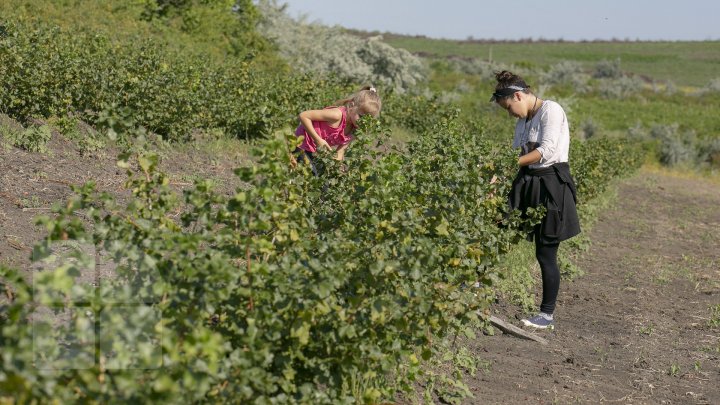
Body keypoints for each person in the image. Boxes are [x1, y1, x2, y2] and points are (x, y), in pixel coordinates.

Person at [491, 70, 581, 329]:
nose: (510, 114)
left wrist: (507, 164)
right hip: (527, 180)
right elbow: (516, 156)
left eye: (509, 108)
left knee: (545, 252)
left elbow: (545, 151)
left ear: (518, 96)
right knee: (498, 225)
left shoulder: (551, 111)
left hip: (552, 184)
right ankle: (474, 282)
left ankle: (546, 315)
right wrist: (495, 179)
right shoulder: (523, 121)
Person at [292, 85, 382, 175]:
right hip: (301, 143)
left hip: (316, 151)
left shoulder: (355, 129)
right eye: (361, 116)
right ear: (351, 105)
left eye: (367, 120)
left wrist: (337, 166)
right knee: (309, 175)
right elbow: (303, 115)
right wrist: (318, 139)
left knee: (324, 182)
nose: (363, 122)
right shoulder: (336, 115)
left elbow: (341, 150)